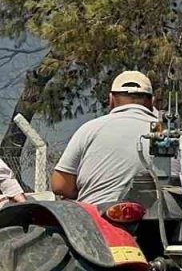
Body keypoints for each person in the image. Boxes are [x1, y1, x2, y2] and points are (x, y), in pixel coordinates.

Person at [53, 70, 159, 205]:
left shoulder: (89, 129)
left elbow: (60, 185)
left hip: (97, 219)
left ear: (111, 100)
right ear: (152, 102)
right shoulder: (171, 134)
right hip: (161, 218)